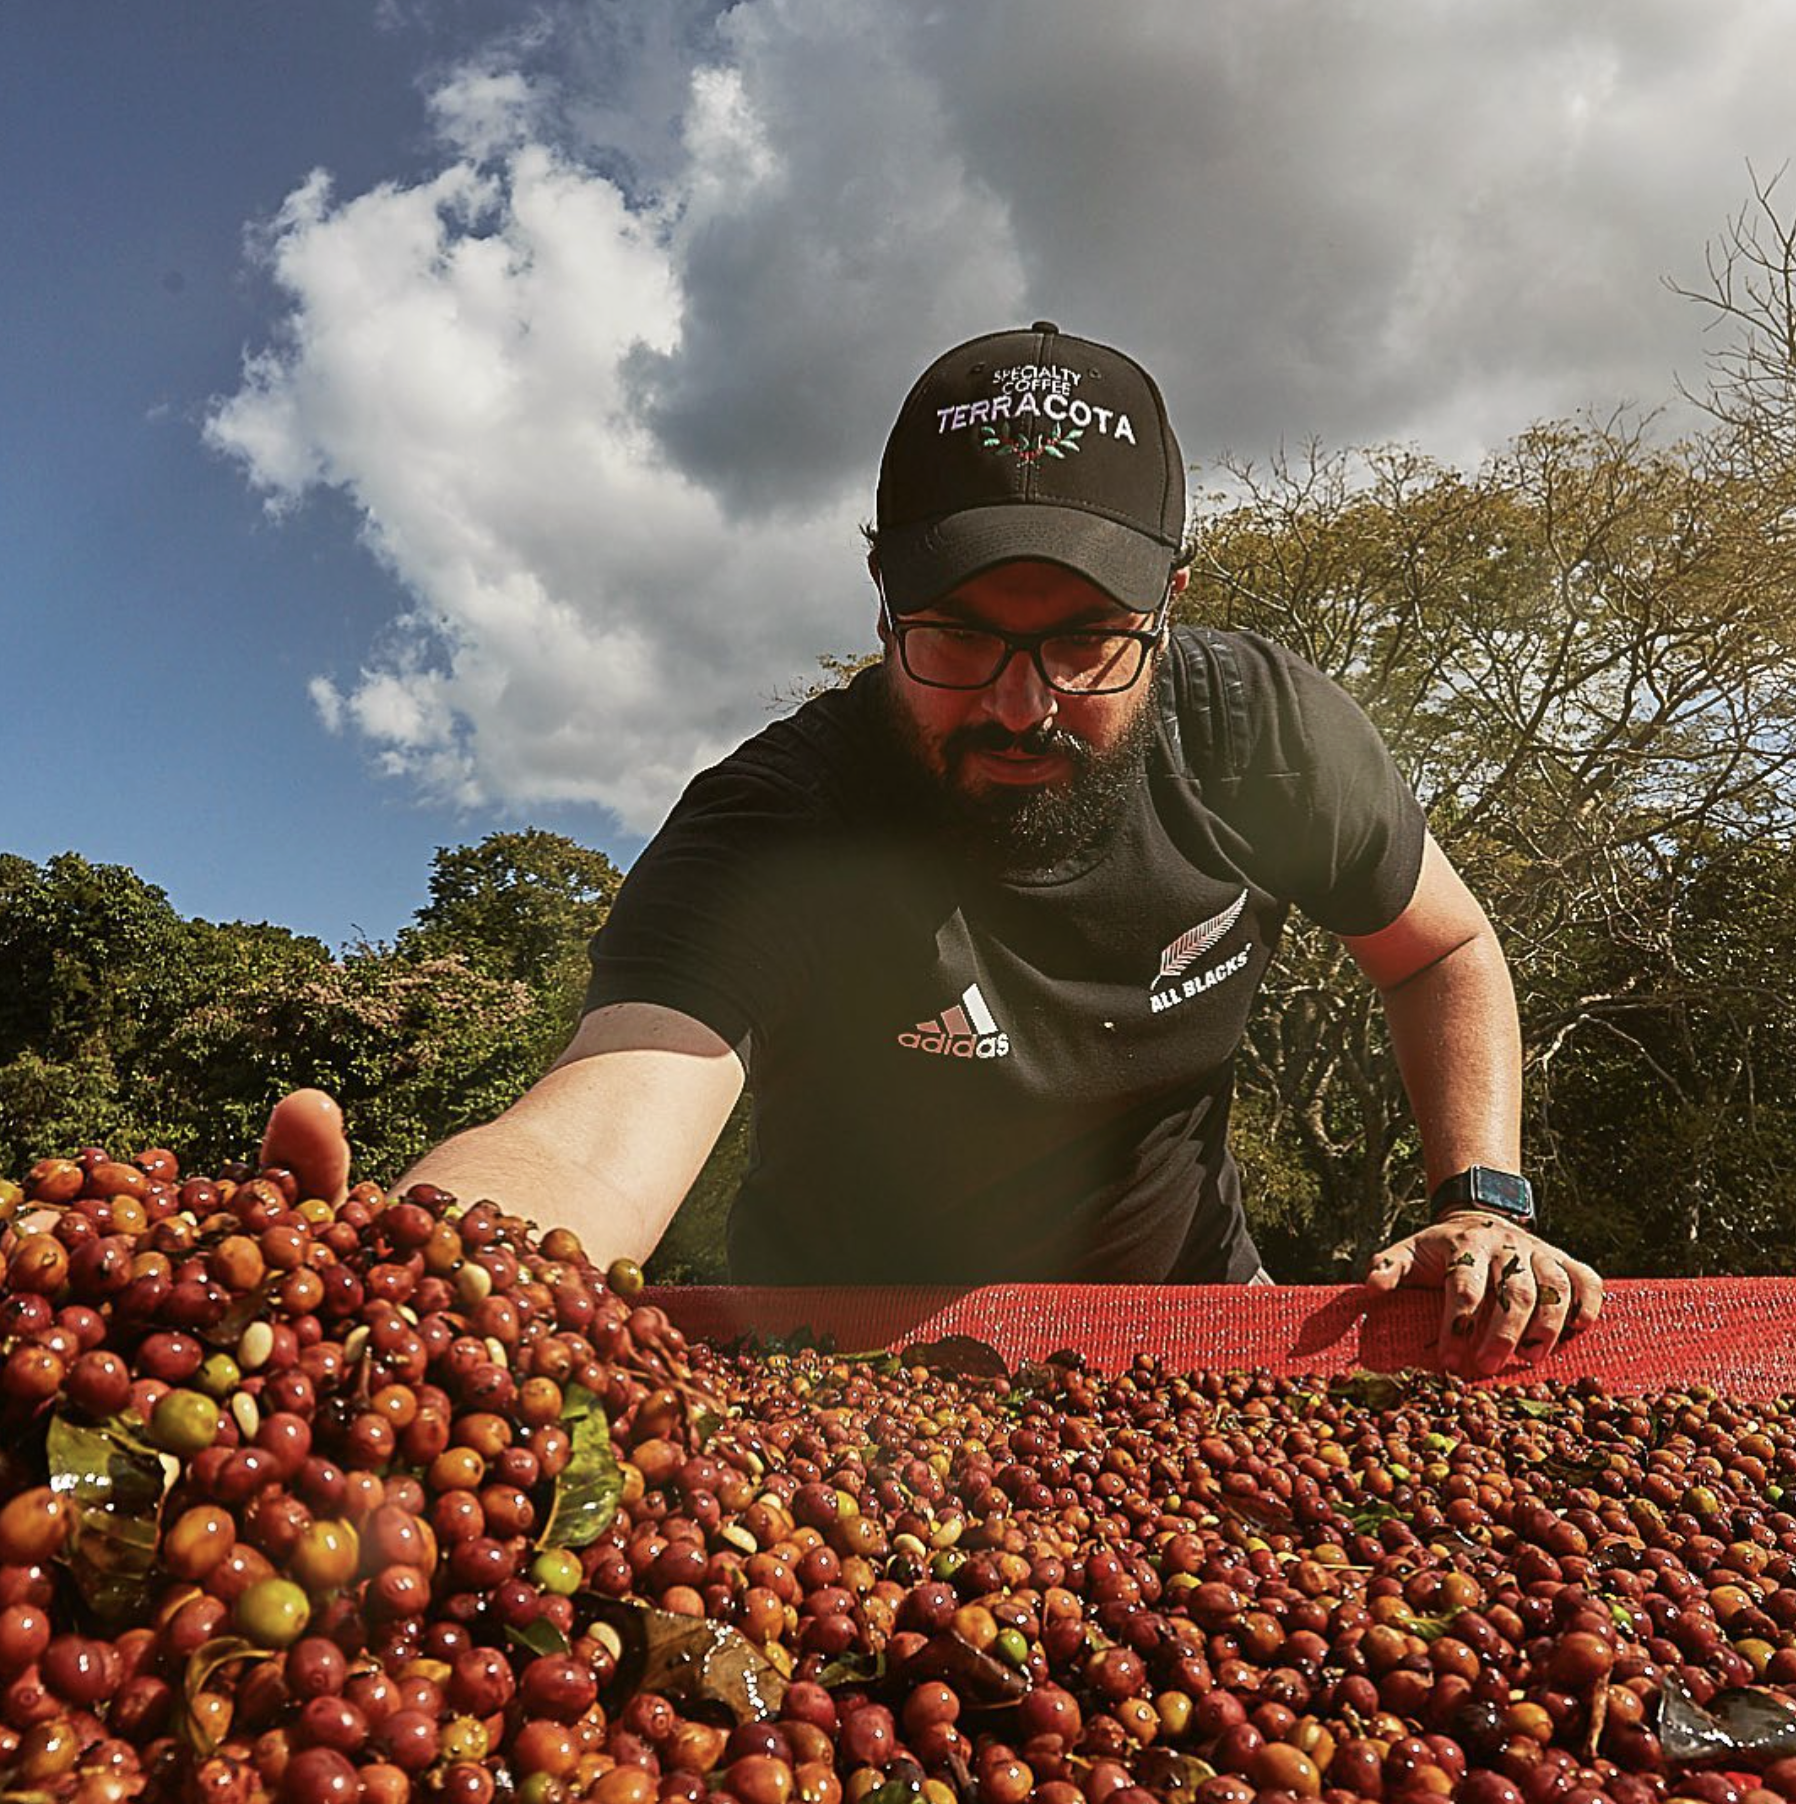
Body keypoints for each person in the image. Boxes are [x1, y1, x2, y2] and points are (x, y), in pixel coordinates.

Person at [264, 322, 1602, 1376]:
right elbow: (595, 1134)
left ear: (1168, 607)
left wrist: (1481, 1199)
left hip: (1192, 1330)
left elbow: (1443, 948)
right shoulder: (778, 823)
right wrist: (427, 1272)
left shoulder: (1259, 737)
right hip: (837, 1363)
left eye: (1084, 640)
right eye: (958, 635)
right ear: (882, 595)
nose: (1023, 706)